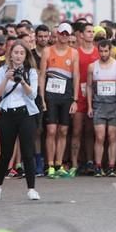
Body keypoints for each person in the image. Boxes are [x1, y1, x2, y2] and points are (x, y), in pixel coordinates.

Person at [0, 41, 41, 202]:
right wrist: (6, 78)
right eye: (16, 52)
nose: (18, 56)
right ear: (10, 54)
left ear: (26, 56)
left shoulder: (31, 71)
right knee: (6, 153)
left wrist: (22, 81)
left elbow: (32, 95)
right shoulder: (1, 70)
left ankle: (31, 189)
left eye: (21, 53)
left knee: (27, 152)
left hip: (26, 114)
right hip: (7, 114)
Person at [39, 22, 79, 178]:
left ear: (69, 35)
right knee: (51, 130)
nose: (63, 36)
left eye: (66, 34)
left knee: (63, 130)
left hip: (66, 95)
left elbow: (76, 76)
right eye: (61, 33)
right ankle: (49, 165)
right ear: (57, 34)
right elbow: (42, 75)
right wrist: (41, 98)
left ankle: (58, 163)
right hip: (50, 95)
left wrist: (75, 99)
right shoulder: (48, 51)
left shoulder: (73, 53)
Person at [88, 40, 116, 177]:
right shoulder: (92, 67)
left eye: (106, 51)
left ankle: (111, 167)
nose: (103, 54)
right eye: (101, 51)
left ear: (110, 51)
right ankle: (98, 166)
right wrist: (90, 106)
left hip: (114, 105)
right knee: (100, 137)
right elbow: (90, 87)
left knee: (112, 136)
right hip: (98, 105)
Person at [71, 22, 97, 175]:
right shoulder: (75, 52)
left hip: (95, 96)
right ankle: (74, 163)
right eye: (88, 31)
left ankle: (89, 161)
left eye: (92, 31)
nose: (91, 34)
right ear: (81, 34)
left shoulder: (98, 52)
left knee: (90, 131)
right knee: (77, 130)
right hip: (79, 95)